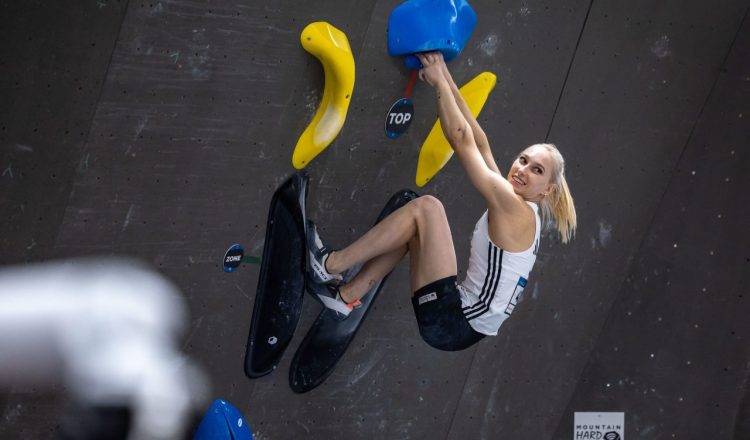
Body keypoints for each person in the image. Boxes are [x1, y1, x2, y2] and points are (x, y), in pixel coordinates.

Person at [307, 51, 577, 351]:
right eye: (523, 160)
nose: (523, 170)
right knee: (414, 227)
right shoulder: (523, 204)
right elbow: (480, 139)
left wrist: (437, 83)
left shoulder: (514, 207)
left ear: (546, 191)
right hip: (459, 326)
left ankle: (329, 265)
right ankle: (345, 297)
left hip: (452, 320)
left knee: (427, 209)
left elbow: (461, 139)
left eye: (537, 170)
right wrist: (442, 73)